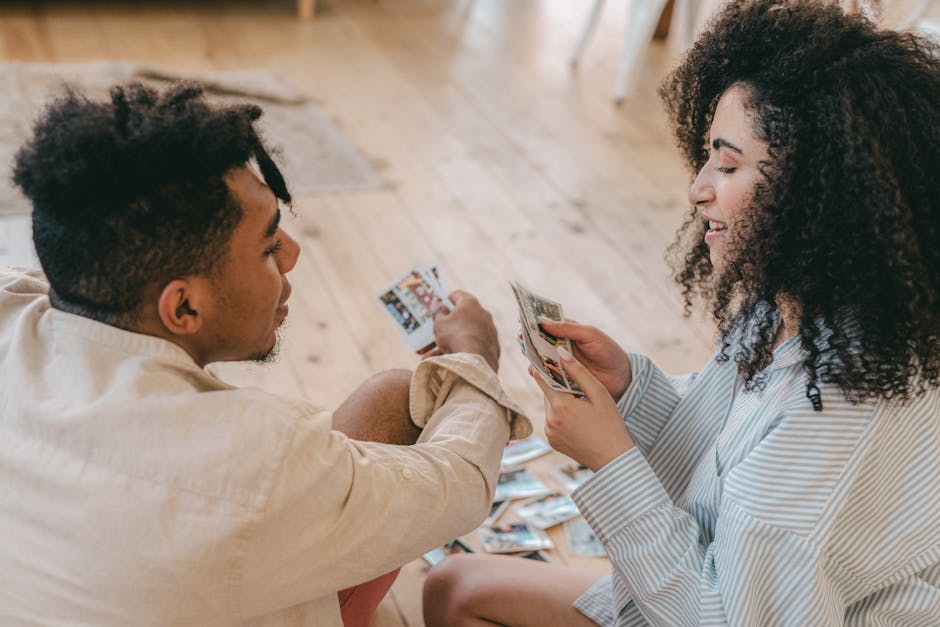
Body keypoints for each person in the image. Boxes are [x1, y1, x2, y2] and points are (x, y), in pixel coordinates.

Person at [422, 1, 940, 625]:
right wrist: (630, 390)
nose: (698, 187)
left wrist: (611, 460)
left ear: (817, 190)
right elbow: (730, 445)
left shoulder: (830, 419)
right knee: (451, 588)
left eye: (727, 165)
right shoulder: (794, 307)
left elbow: (717, 616)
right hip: (714, 588)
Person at [0, 82, 531, 625]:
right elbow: (459, 485)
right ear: (182, 307)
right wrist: (474, 358)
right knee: (400, 408)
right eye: (267, 246)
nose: (293, 255)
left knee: (391, 398)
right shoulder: (259, 460)